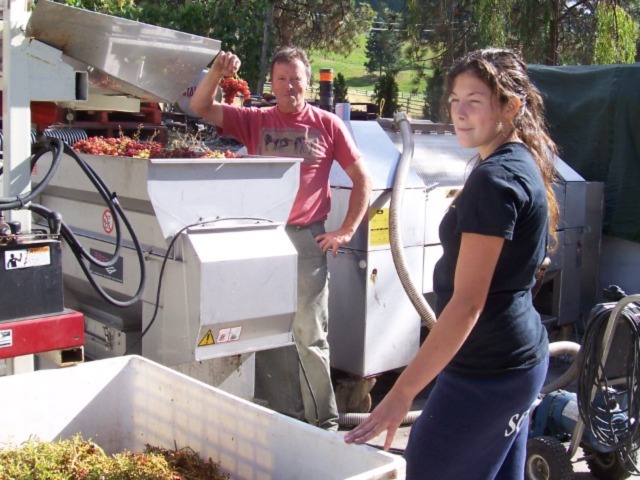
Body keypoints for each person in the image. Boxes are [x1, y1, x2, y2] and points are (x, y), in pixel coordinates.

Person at [344, 48, 559, 479]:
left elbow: (467, 305)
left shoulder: (494, 181)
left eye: (474, 101)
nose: (459, 113)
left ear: (511, 106)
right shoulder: (518, 161)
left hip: (487, 372)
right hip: (517, 361)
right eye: (455, 100)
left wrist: (402, 393)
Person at [190, 46, 372, 431]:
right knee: (266, 330)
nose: (290, 86)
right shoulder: (254, 121)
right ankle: (284, 417)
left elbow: (362, 179)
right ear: (270, 84)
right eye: (281, 78)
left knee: (310, 333)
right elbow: (201, 105)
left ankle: (323, 423)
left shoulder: (327, 125)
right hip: (262, 241)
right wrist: (218, 72)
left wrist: (346, 230)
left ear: (307, 81)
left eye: (296, 78)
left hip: (308, 240)